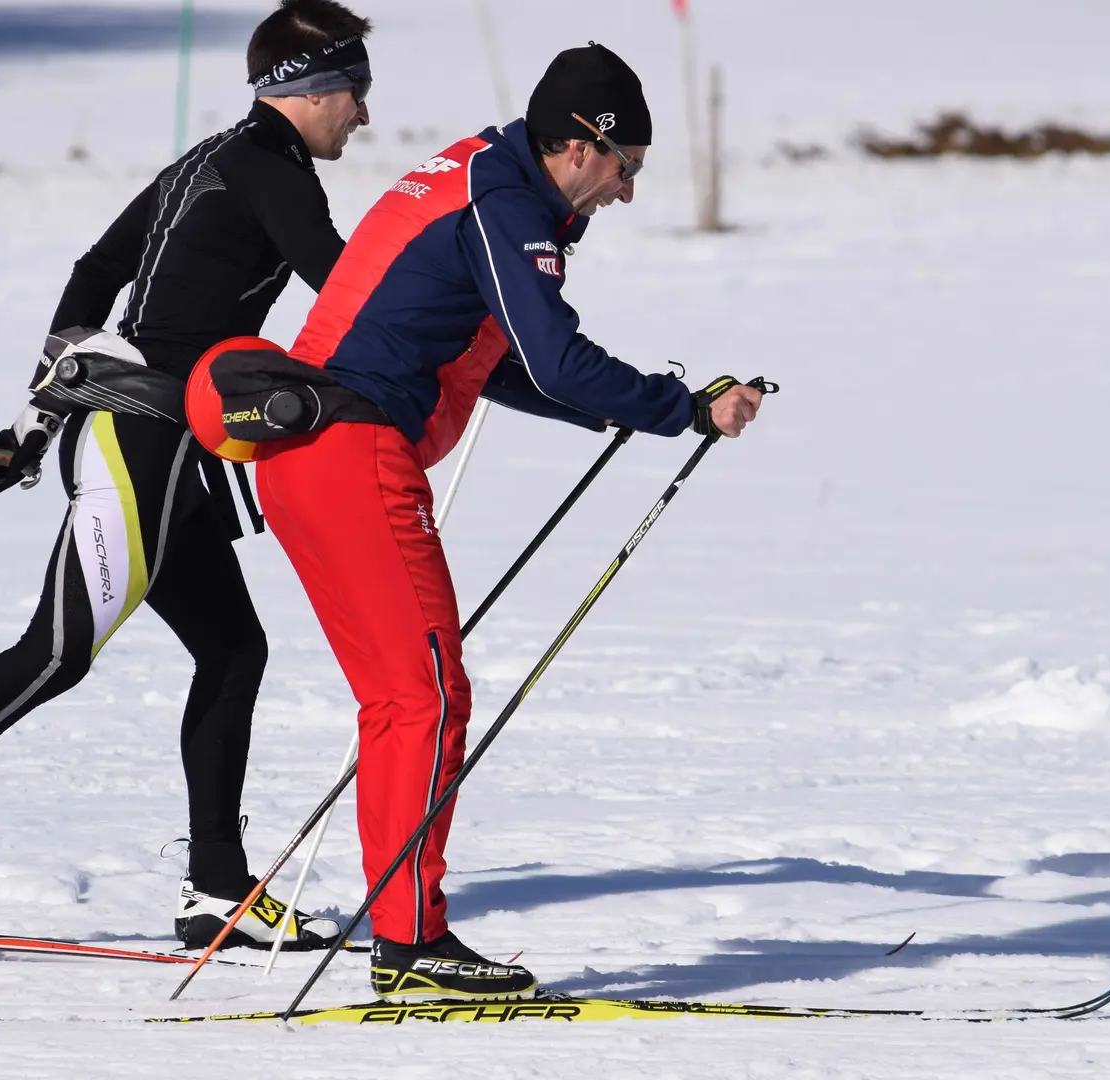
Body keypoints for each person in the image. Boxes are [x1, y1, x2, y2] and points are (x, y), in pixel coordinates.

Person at [0, 0, 377, 951]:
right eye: (355, 93)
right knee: (59, 650)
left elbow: (92, 272)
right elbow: (348, 287)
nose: (362, 115)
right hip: (138, 446)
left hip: (159, 452)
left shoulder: (208, 159)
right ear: (310, 91)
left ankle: (215, 889)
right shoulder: (271, 171)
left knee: (234, 652)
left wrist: (40, 416)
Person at [251, 43, 764, 1001]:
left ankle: (405, 935)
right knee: (429, 699)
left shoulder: (484, 172)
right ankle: (409, 945)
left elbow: (494, 362)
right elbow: (557, 360)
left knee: (411, 700)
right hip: (352, 454)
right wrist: (679, 406)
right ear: (579, 146)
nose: (628, 191)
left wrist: (648, 408)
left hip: (313, 456)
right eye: (628, 166)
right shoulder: (509, 202)